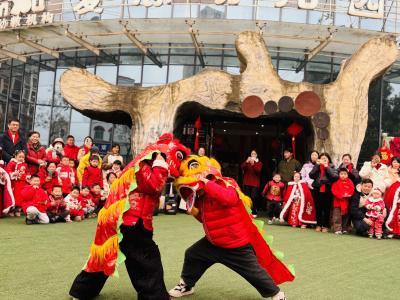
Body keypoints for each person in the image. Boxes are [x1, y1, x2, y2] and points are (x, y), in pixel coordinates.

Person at [69, 133, 190, 300]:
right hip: (131, 221)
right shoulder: (145, 164)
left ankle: (82, 291)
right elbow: (155, 185)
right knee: (147, 261)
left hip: (119, 219)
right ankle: (153, 297)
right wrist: (161, 163)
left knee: (105, 255)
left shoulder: (140, 163)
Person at [170, 155, 294, 300]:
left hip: (235, 243)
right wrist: (193, 209)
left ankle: (277, 294)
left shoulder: (227, 183)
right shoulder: (201, 197)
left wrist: (207, 184)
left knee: (253, 272)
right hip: (214, 242)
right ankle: (187, 285)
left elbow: (230, 199)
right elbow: (206, 220)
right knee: (193, 254)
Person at [309, 153, 338, 233]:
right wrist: (317, 166)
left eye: (325, 158)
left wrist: (326, 167)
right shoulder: (317, 166)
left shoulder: (332, 167)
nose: (324, 159)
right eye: (322, 158)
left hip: (327, 189)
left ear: (329, 159)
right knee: (318, 208)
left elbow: (334, 177)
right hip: (317, 189)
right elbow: (311, 175)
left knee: (327, 209)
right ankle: (318, 224)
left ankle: (325, 225)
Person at [6, 150, 30, 216]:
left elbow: (27, 172)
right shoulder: (12, 163)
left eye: (23, 157)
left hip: (22, 183)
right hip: (15, 183)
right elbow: (8, 171)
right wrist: (13, 173)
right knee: (14, 196)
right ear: (15, 156)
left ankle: (18, 209)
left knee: (20, 196)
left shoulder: (25, 164)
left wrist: (28, 176)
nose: (21, 158)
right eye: (20, 156)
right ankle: (11, 210)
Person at [331, 168, 355, 234]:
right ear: (339, 175)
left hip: (346, 202)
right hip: (337, 202)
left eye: (345, 174)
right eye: (341, 174)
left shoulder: (350, 182)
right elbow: (334, 191)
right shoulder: (336, 182)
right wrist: (341, 195)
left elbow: (352, 189)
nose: (343, 175)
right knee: (337, 216)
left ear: (347, 175)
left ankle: (344, 228)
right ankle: (337, 229)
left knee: (345, 216)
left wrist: (348, 194)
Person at [241, 150, 263, 217]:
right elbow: (242, 167)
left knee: (254, 197)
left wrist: (253, 164)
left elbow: (258, 171)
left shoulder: (259, 163)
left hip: (255, 183)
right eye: (252, 154)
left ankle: (254, 211)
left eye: (254, 154)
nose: (253, 155)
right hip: (247, 182)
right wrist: (246, 162)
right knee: (247, 197)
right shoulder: (247, 162)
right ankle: (247, 210)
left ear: (256, 155)